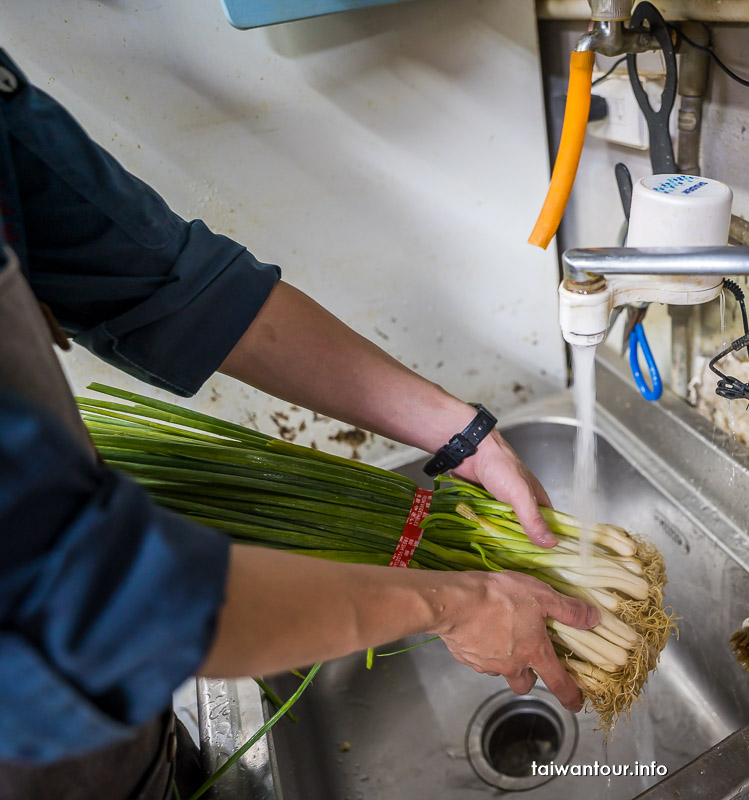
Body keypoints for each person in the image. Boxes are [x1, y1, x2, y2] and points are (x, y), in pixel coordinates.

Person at [0, 47, 596, 800]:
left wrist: (462, 434)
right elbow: (113, 600)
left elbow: (173, 283)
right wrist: (461, 602)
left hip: (135, 740)